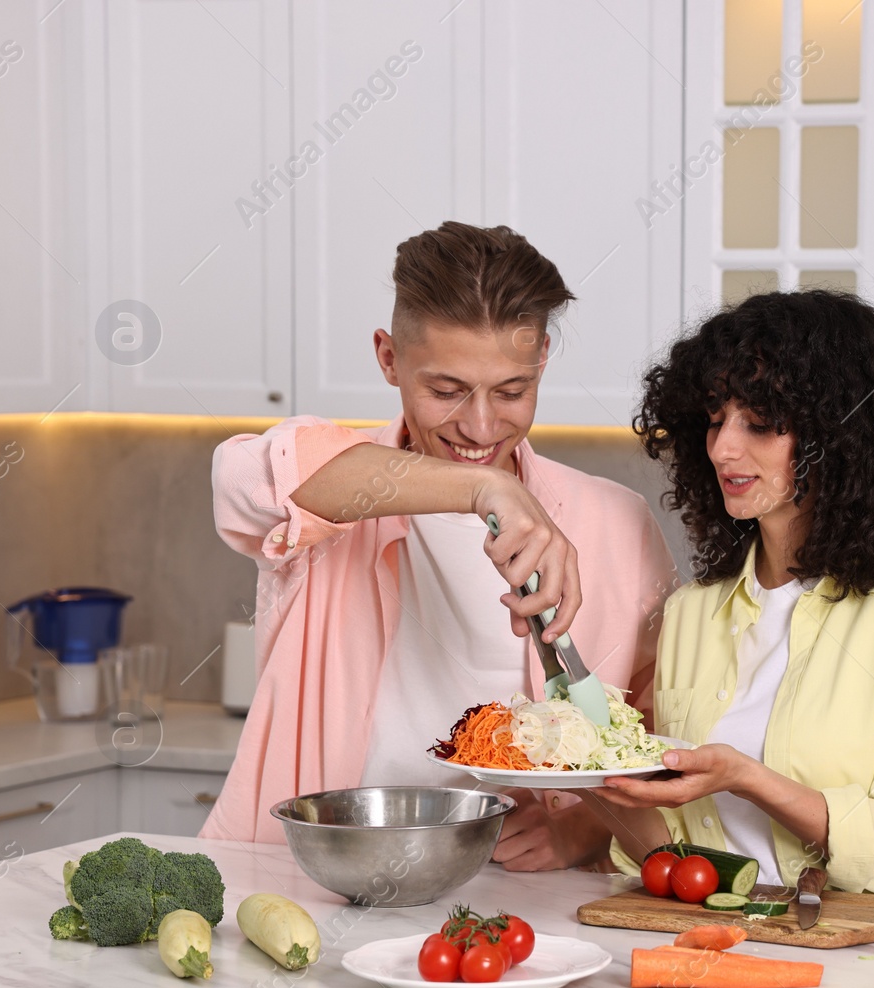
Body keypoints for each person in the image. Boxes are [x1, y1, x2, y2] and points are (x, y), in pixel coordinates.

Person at [199, 222, 676, 871]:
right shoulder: (341, 482)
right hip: (315, 877)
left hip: (520, 897)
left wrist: (585, 833)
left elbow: (656, 751)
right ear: (389, 358)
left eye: (511, 391)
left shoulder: (616, 524)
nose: (480, 425)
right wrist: (485, 488)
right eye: (446, 391)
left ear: (541, 360)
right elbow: (242, 476)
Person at [584, 288, 874, 907]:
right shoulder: (693, 611)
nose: (723, 448)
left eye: (761, 423)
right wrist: (592, 777)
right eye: (716, 419)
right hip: (718, 947)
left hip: (872, 970)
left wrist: (748, 780)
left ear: (846, 437)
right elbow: (673, 854)